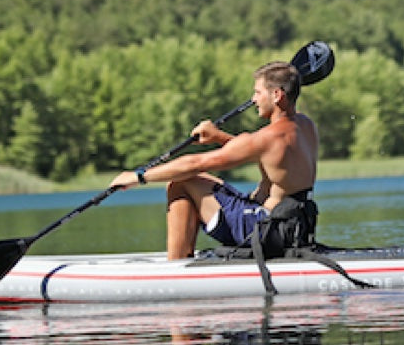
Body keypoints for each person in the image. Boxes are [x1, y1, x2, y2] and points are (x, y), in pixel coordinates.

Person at [110, 61, 318, 260]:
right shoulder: (305, 125)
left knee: (181, 182)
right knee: (197, 179)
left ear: (277, 95)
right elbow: (267, 154)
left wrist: (138, 176)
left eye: (257, 92)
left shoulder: (268, 138)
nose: (253, 99)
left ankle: (175, 265)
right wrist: (219, 137)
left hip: (264, 228)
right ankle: (181, 257)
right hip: (295, 225)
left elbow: (195, 163)